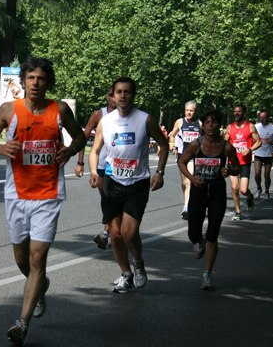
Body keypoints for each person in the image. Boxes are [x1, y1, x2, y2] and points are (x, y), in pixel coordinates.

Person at [0, 57, 86, 346]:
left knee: (38, 258)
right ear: (23, 82)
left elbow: (80, 136)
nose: (35, 83)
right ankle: (40, 285)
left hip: (49, 194)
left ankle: (22, 323)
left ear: (47, 82)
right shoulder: (9, 110)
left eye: (40, 78)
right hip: (16, 193)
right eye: (30, 78)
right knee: (22, 259)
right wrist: (1, 147)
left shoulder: (59, 109)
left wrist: (70, 150)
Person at [89, 77, 169, 293]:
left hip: (137, 183)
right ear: (113, 96)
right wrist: (94, 171)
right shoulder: (105, 121)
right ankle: (126, 274)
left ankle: (139, 263)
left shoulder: (145, 120)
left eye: (127, 92)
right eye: (119, 92)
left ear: (133, 95)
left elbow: (163, 143)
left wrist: (160, 172)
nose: (123, 96)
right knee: (114, 235)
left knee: (129, 233)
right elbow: (95, 150)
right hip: (112, 183)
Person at [177, 109, 241, 290]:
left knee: (213, 233)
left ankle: (207, 275)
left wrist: (229, 171)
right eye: (207, 122)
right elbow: (181, 162)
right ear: (203, 125)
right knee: (193, 234)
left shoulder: (227, 147)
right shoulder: (196, 145)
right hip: (199, 190)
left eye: (214, 122)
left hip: (217, 191)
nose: (211, 125)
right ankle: (198, 241)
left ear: (219, 125)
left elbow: (237, 167)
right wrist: (192, 178)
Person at [74, 87, 116, 249]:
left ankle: (107, 234)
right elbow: (82, 139)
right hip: (101, 165)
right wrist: (80, 162)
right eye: (112, 94)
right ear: (107, 97)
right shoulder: (99, 115)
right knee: (107, 199)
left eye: (118, 93)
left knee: (113, 200)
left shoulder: (128, 115)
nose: (115, 97)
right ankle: (110, 232)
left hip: (120, 166)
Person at [224, 105, 261, 221]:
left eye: (239, 112)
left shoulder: (250, 126)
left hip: (245, 162)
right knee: (234, 188)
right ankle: (238, 211)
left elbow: (259, 142)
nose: (236, 113)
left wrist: (249, 149)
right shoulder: (230, 128)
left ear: (244, 113)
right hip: (233, 162)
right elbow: (224, 144)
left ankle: (249, 197)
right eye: (235, 112)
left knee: (243, 190)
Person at [168, 101, 201, 219]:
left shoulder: (199, 124)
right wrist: (172, 143)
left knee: (189, 180)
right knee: (184, 182)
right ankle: (187, 200)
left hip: (194, 156)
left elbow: (205, 138)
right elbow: (172, 134)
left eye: (191, 110)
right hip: (182, 156)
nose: (189, 112)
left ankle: (186, 206)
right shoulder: (180, 122)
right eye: (187, 110)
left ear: (195, 111)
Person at [253, 111, 273, 201]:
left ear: (268, 118)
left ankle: (267, 192)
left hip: (268, 154)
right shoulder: (256, 126)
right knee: (257, 173)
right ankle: (258, 188)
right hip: (258, 153)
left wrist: (272, 142)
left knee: (266, 175)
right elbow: (250, 137)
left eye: (264, 117)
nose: (262, 119)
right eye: (260, 117)